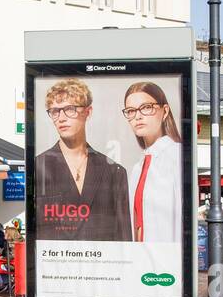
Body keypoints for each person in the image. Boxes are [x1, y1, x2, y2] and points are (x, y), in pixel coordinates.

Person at [34, 78, 132, 242]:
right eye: (55, 111)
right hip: (56, 265)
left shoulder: (114, 172)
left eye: (70, 109)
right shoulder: (38, 167)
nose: (61, 118)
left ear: (88, 112)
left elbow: (124, 238)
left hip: (103, 265)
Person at [123, 81, 182, 244]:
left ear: (164, 111)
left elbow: (182, 220)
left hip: (167, 260)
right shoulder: (138, 167)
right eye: (131, 111)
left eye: (146, 107)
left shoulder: (177, 155)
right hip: (142, 259)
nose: (138, 116)